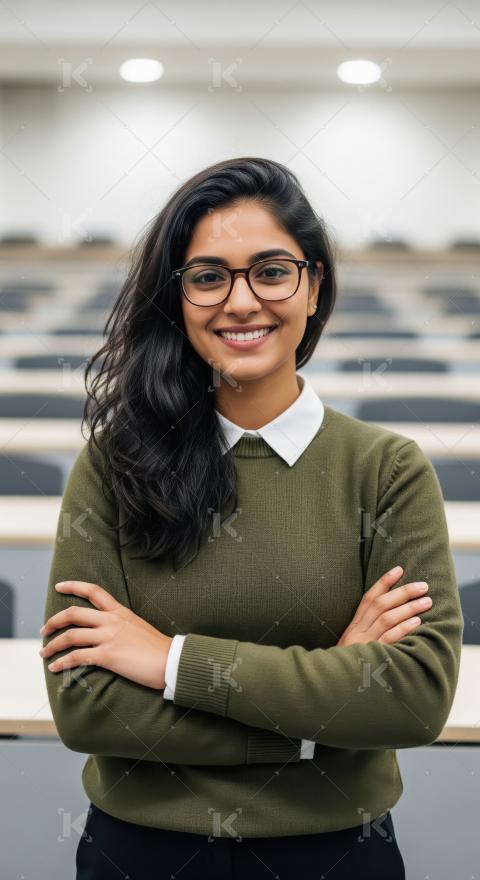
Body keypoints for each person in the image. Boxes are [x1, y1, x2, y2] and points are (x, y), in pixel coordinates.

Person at [41, 157, 464, 879]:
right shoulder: (114, 465)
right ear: (178, 298)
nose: (241, 302)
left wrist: (169, 662)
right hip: (141, 852)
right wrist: (321, 712)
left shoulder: (387, 470)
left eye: (271, 271)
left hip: (336, 854)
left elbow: (411, 698)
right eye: (208, 276)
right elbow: (86, 709)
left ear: (314, 284)